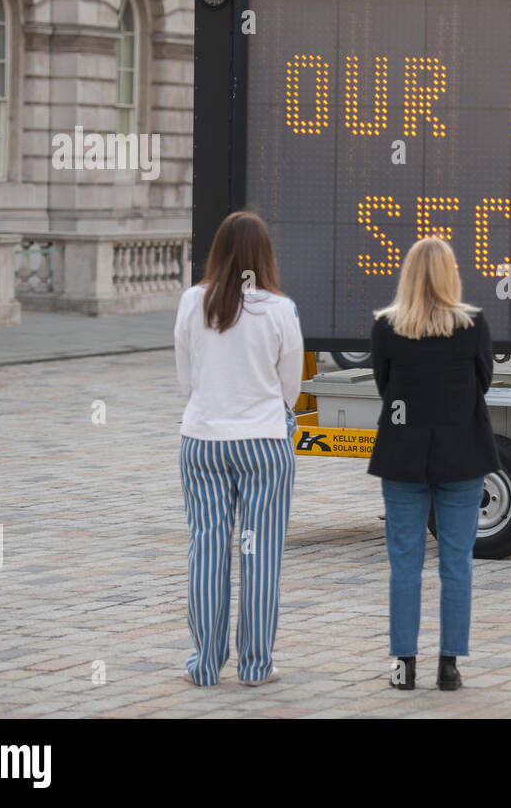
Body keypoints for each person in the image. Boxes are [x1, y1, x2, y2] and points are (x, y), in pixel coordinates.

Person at [174, 210, 303, 687]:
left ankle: (205, 666)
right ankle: (256, 665)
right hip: (264, 445)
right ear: (263, 256)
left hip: (203, 442)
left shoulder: (193, 302)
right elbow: (290, 386)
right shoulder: (281, 309)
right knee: (260, 554)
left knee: (206, 550)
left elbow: (185, 379)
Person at [368, 237, 500, 691]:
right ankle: (449, 665)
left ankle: (404, 666)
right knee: (457, 562)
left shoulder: (386, 327)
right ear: (451, 275)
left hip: (402, 455)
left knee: (404, 564)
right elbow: (483, 381)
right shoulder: (472, 325)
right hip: (462, 455)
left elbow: (386, 387)